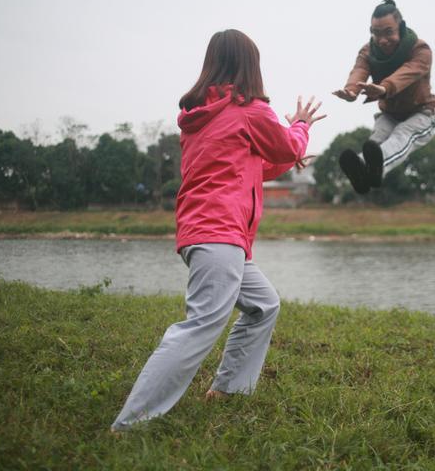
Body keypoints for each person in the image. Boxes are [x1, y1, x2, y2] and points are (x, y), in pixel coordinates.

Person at [111, 29, 325, 431]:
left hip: (205, 233)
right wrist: (299, 127)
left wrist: (288, 158)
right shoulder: (251, 110)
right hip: (219, 234)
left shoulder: (200, 117)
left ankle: (228, 389)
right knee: (200, 326)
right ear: (250, 66)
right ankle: (131, 422)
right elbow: (284, 146)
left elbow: (250, 166)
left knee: (264, 305)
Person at [333, 0, 435, 194]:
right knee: (375, 141)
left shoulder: (420, 50)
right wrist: (351, 91)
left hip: (420, 115)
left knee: (401, 136)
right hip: (389, 115)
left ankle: (376, 169)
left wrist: (383, 88)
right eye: (376, 33)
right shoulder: (368, 51)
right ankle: (362, 175)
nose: (382, 40)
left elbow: (406, 74)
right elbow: (359, 70)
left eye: (388, 32)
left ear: (401, 28)